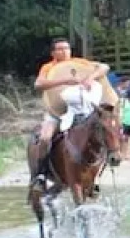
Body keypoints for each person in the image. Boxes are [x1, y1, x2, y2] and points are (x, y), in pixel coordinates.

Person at [30, 37, 117, 187]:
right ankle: (41, 175)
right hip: (56, 113)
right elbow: (38, 84)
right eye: (60, 49)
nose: (65, 51)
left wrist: (90, 78)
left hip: (83, 113)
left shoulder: (80, 63)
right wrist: (64, 81)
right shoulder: (48, 67)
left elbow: (104, 67)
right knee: (44, 138)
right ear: (53, 53)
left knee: (102, 133)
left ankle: (96, 175)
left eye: (67, 48)